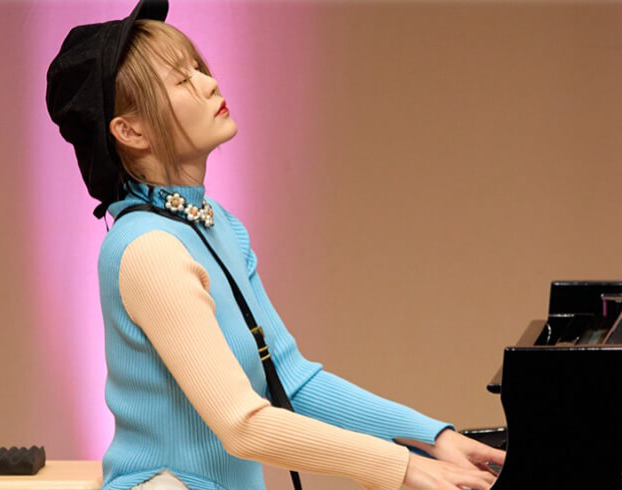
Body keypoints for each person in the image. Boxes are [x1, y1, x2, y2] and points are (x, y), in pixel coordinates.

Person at [45, 1, 505, 489]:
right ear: (130, 131)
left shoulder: (217, 224)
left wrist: (432, 437)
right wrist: (403, 466)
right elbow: (242, 426)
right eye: (181, 80)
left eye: (198, 67)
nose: (209, 83)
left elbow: (290, 379)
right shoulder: (148, 250)